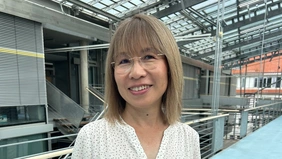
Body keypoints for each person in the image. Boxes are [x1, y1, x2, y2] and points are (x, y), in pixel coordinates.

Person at [72, 14, 201, 159]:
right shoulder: (91, 138)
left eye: (148, 57)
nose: (136, 73)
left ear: (170, 66)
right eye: (124, 60)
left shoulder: (189, 139)